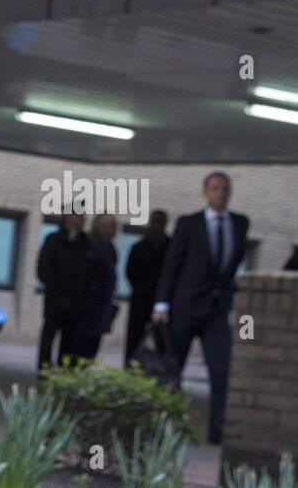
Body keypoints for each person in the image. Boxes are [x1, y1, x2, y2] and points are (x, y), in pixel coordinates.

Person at [152, 171, 251, 444]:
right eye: (215, 188)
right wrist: (162, 302)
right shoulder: (189, 224)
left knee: (222, 370)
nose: (221, 193)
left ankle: (218, 434)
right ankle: (165, 429)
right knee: (173, 370)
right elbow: (172, 264)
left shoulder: (240, 224)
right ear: (205, 192)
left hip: (217, 310)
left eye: (225, 188)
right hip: (185, 307)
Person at [36, 210, 91, 368]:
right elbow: (43, 269)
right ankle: (44, 370)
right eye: (78, 216)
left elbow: (89, 272)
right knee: (48, 337)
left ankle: (63, 372)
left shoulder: (86, 243)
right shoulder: (53, 240)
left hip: (76, 303)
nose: (81, 220)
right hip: (55, 300)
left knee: (70, 341)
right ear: (68, 217)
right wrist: (56, 287)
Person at [123, 209, 170, 366]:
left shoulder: (170, 248)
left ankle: (163, 373)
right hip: (140, 301)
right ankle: (129, 369)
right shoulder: (139, 247)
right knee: (134, 340)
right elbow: (130, 272)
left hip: (162, 303)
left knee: (163, 342)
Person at [75, 214, 118, 360]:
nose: (114, 230)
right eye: (112, 226)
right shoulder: (92, 245)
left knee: (93, 343)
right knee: (83, 344)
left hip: (102, 303)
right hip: (90, 304)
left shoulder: (110, 247)